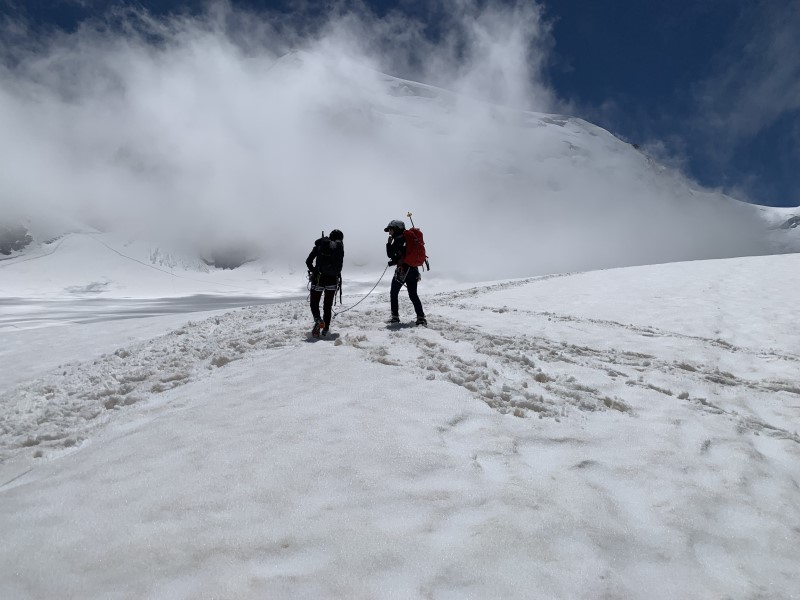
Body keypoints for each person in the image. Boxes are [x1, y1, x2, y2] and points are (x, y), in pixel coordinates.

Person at [384, 219, 426, 326]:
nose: (389, 232)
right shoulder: (409, 238)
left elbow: (390, 254)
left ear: (396, 229)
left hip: (403, 271)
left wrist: (388, 244)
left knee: (394, 292)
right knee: (413, 294)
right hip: (414, 270)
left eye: (391, 229)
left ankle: (395, 317)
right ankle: (421, 317)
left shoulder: (399, 239)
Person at [306, 229, 344, 337]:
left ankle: (318, 320)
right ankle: (326, 328)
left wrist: (314, 271)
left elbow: (308, 261)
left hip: (319, 279)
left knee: (314, 303)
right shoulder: (339, 247)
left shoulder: (321, 245)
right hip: (332, 280)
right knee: (327, 306)